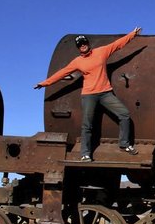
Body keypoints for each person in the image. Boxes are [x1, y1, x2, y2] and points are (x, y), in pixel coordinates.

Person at [35, 27, 142, 162]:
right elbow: (62, 73)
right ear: (78, 48)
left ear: (88, 43)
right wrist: (44, 83)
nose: (83, 45)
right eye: (80, 45)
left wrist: (133, 34)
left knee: (124, 114)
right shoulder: (77, 61)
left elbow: (118, 44)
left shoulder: (101, 52)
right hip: (89, 96)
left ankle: (124, 144)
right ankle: (85, 154)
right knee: (87, 125)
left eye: (84, 43)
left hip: (105, 93)